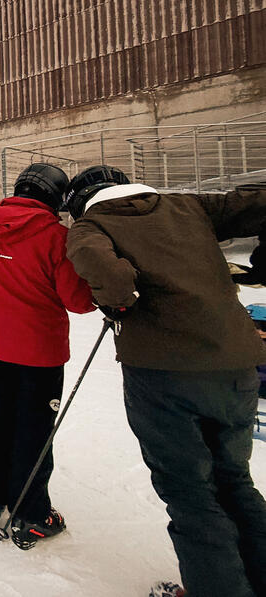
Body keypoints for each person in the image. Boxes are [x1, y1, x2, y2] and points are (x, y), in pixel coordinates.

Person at [64, 167, 266, 597]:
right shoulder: (187, 205)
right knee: (235, 481)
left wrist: (118, 303)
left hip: (163, 375)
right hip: (235, 364)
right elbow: (256, 202)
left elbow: (109, 274)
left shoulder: (90, 225)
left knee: (191, 492)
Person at [0, 163, 95, 550]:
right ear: (55, 199)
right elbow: (79, 302)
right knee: (33, 428)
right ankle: (30, 514)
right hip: (41, 352)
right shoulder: (56, 236)